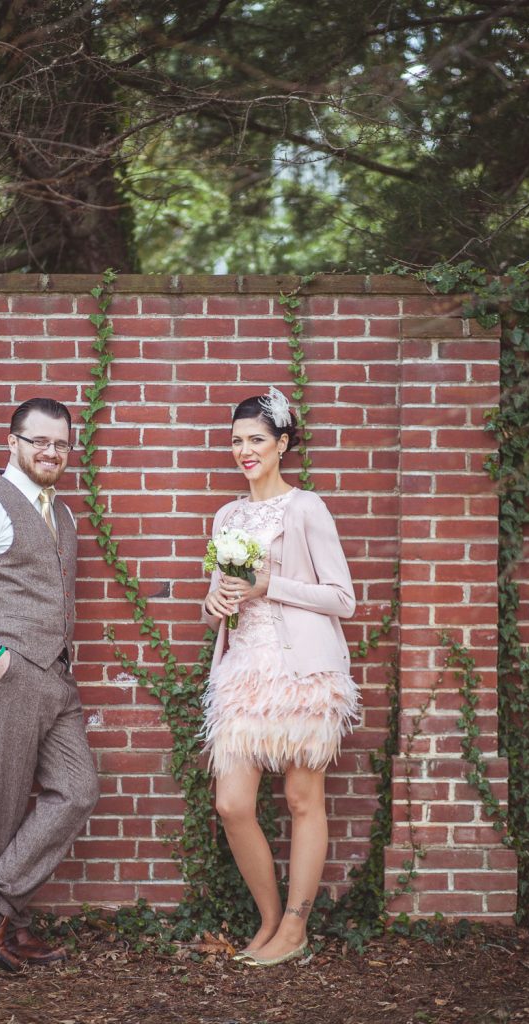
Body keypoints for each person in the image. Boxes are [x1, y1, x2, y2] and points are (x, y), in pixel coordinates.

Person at [0, 397, 99, 973]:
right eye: (39, 441)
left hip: (53, 674)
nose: (51, 452)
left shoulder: (65, 514)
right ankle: (6, 919)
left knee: (77, 790)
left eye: (61, 443)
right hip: (8, 669)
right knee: (5, 799)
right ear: (14, 442)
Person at [201, 387, 359, 967]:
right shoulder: (227, 515)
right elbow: (219, 595)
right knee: (233, 803)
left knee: (300, 798)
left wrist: (272, 585)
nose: (245, 451)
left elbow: (343, 599)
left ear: (282, 444)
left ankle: (295, 928)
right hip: (243, 671)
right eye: (237, 441)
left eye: (257, 440)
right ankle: (269, 920)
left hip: (304, 672)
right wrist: (214, 602)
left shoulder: (306, 508)